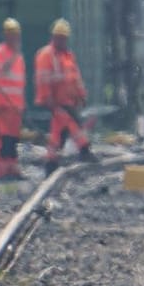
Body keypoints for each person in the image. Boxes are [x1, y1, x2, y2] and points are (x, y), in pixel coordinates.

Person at [34, 18, 93, 173]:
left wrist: (82, 95)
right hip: (56, 101)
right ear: (53, 37)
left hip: (69, 101)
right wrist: (48, 100)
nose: (62, 40)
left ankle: (51, 162)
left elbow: (76, 78)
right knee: (74, 125)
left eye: (64, 38)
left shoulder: (68, 55)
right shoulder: (46, 55)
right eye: (59, 37)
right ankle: (84, 150)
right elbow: (43, 79)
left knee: (58, 132)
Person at [0, 17, 26, 183]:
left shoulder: (19, 57)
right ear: (6, 35)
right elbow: (1, 71)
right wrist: (15, 54)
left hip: (15, 105)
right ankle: (2, 170)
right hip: (2, 103)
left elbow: (20, 82)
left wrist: (23, 104)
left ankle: (12, 167)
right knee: (3, 136)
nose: (15, 38)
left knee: (13, 137)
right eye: (12, 34)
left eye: (16, 34)